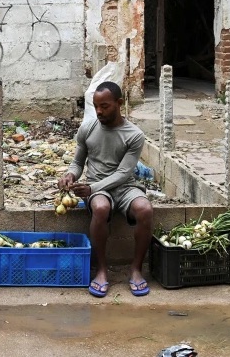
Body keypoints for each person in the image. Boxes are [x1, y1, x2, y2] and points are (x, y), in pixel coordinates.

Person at [58, 81, 153, 297]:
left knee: (145, 209)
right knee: (100, 207)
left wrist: (91, 187)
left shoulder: (134, 135)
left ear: (119, 103)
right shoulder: (88, 128)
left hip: (124, 187)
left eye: (105, 106)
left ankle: (136, 269)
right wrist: (70, 175)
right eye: (96, 106)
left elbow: (124, 173)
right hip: (99, 189)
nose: (99, 111)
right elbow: (78, 163)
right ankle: (101, 270)